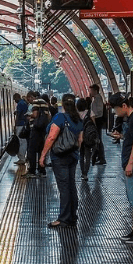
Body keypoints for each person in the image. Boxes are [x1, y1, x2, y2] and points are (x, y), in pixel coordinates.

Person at [108, 93, 133, 244]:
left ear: (124, 106)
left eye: (116, 109)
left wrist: (130, 163)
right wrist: (121, 136)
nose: (115, 112)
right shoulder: (132, 118)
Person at [40, 94, 84, 228]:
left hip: (60, 157)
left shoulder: (60, 117)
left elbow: (51, 137)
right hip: (73, 156)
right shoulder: (78, 119)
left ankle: (64, 219)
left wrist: (43, 155)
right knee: (71, 186)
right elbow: (80, 140)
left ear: (63, 104)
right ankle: (73, 216)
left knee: (64, 188)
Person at [24, 100, 50, 179]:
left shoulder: (36, 102)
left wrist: (29, 115)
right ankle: (42, 171)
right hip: (43, 131)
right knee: (41, 151)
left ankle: (32, 171)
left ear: (31, 97)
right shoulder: (45, 104)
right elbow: (48, 116)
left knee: (32, 151)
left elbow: (35, 114)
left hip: (35, 130)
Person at [89, 84, 106, 165]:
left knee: (98, 139)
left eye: (91, 90)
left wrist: (94, 121)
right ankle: (99, 157)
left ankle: (101, 158)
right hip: (97, 120)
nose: (90, 92)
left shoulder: (97, 99)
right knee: (98, 139)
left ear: (95, 91)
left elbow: (96, 112)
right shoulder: (96, 99)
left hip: (97, 120)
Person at [77, 98, 93, 181]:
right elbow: (93, 125)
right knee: (88, 156)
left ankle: (82, 172)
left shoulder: (76, 114)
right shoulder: (90, 112)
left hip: (80, 136)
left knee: (81, 155)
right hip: (88, 136)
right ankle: (86, 173)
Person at [13, 93, 29, 166]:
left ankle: (22, 158)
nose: (14, 100)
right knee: (23, 141)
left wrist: (15, 125)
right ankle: (22, 158)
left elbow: (18, 115)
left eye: (15, 99)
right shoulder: (24, 103)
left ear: (17, 97)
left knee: (21, 141)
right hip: (24, 124)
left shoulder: (20, 104)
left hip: (20, 124)